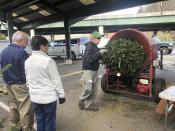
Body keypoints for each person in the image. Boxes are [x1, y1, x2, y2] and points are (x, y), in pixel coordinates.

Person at [25, 36, 65, 131]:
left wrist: (31, 90)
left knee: (39, 120)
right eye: (47, 45)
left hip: (35, 97)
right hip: (48, 98)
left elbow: (28, 80)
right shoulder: (48, 61)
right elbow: (56, 80)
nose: (48, 48)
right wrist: (61, 95)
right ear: (42, 46)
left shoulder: (27, 61)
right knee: (49, 121)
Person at [0, 31, 34, 131]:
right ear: (20, 40)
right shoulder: (21, 52)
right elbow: (27, 70)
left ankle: (14, 126)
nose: (27, 44)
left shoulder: (4, 51)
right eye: (26, 42)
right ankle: (26, 128)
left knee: (13, 106)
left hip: (8, 84)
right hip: (20, 85)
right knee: (25, 109)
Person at [79, 31, 104, 111]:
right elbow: (90, 59)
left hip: (94, 70)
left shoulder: (95, 47)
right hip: (88, 71)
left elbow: (96, 57)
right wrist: (99, 53)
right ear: (93, 38)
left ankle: (89, 106)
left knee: (94, 90)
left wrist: (103, 55)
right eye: (98, 38)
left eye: (100, 38)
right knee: (88, 88)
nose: (100, 40)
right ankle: (81, 99)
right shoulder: (89, 47)